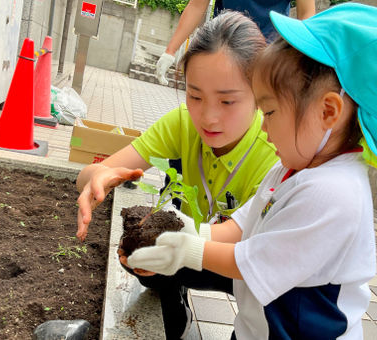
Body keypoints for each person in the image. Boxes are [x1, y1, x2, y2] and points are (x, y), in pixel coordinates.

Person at [127, 3, 377, 339]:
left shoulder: (335, 192)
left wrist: (186, 250)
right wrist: (188, 235)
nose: (264, 129)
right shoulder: (292, 168)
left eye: (269, 112)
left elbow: (252, 261)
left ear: (328, 111)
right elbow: (243, 224)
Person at [76, 11, 279, 339]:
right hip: (190, 246)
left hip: (241, 264)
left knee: (271, 297)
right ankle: (173, 307)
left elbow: (267, 256)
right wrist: (96, 178)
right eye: (195, 96)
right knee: (136, 250)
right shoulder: (182, 122)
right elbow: (92, 173)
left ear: (259, 96)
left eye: (227, 101)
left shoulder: (274, 150)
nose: (208, 117)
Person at [156, 0, 316, 85]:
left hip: (267, 58)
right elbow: (197, 5)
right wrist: (170, 51)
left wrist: (302, 62)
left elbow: (307, 13)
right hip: (223, 50)